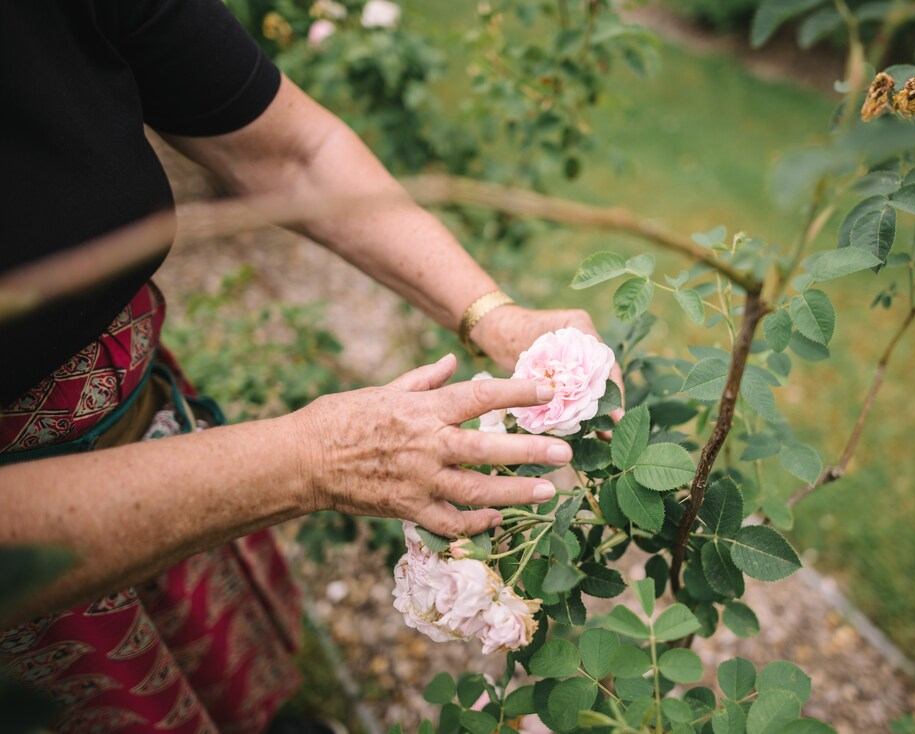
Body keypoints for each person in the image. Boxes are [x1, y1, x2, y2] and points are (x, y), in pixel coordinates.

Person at [0, 2, 622, 732]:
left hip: (146, 417)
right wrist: (312, 459)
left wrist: (491, 313)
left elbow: (290, 151)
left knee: (235, 688)